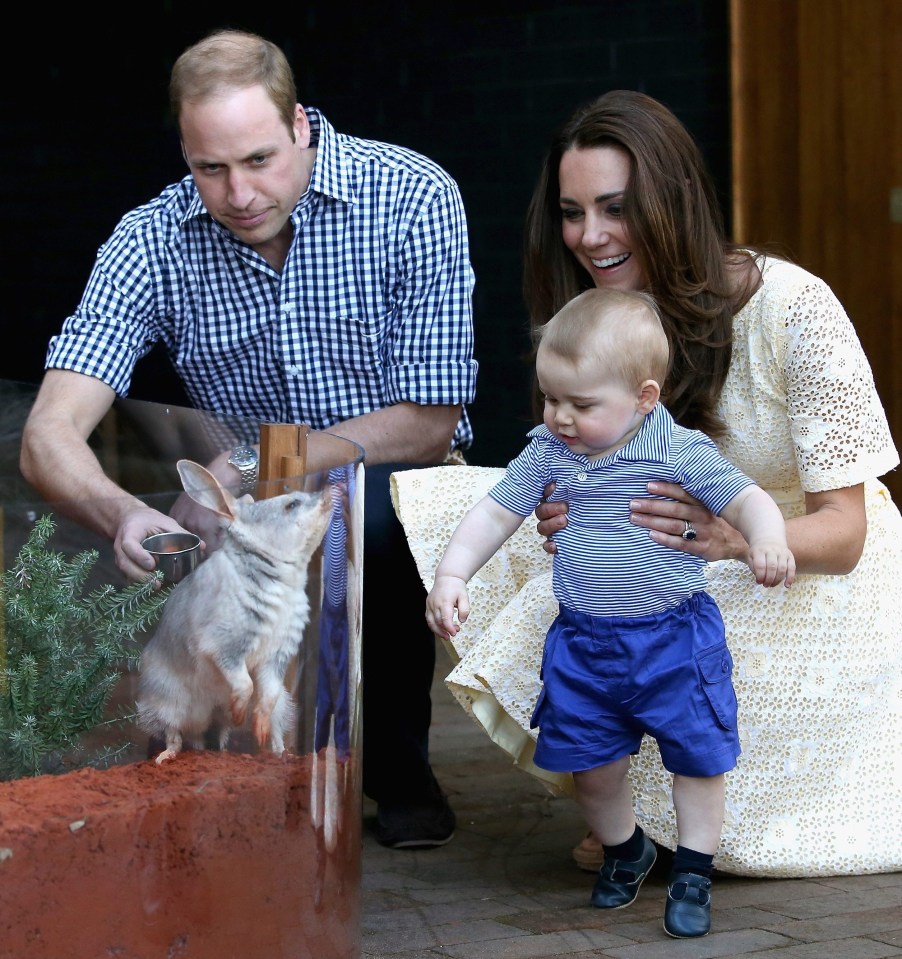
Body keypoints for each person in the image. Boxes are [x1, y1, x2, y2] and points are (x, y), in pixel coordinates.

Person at [389, 89, 902, 891]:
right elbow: (567, 464)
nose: (589, 235)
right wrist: (562, 507)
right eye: (571, 210)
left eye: (614, 208)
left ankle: (671, 824)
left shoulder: (795, 309)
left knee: (665, 614)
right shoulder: (592, 319)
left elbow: (847, 532)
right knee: (482, 524)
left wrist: (733, 538)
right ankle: (622, 811)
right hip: (669, 548)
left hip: (801, 572)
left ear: (673, 201)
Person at [19, 28, 478, 850]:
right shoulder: (152, 238)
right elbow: (48, 434)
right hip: (248, 494)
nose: (238, 193)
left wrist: (267, 458)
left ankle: (392, 770)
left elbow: (431, 416)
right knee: (194, 551)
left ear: (301, 124)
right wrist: (120, 511)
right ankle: (229, 779)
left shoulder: (412, 194)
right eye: (211, 168)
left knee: (358, 524)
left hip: (398, 472)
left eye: (261, 159)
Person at [425, 287, 794, 937]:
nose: (560, 416)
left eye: (582, 404)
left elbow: (748, 498)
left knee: (697, 757)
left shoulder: (676, 449)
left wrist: (766, 538)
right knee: (590, 765)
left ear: (643, 398)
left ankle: (694, 870)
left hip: (674, 636)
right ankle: (627, 847)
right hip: (585, 642)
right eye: (551, 397)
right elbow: (494, 512)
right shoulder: (550, 451)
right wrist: (453, 572)